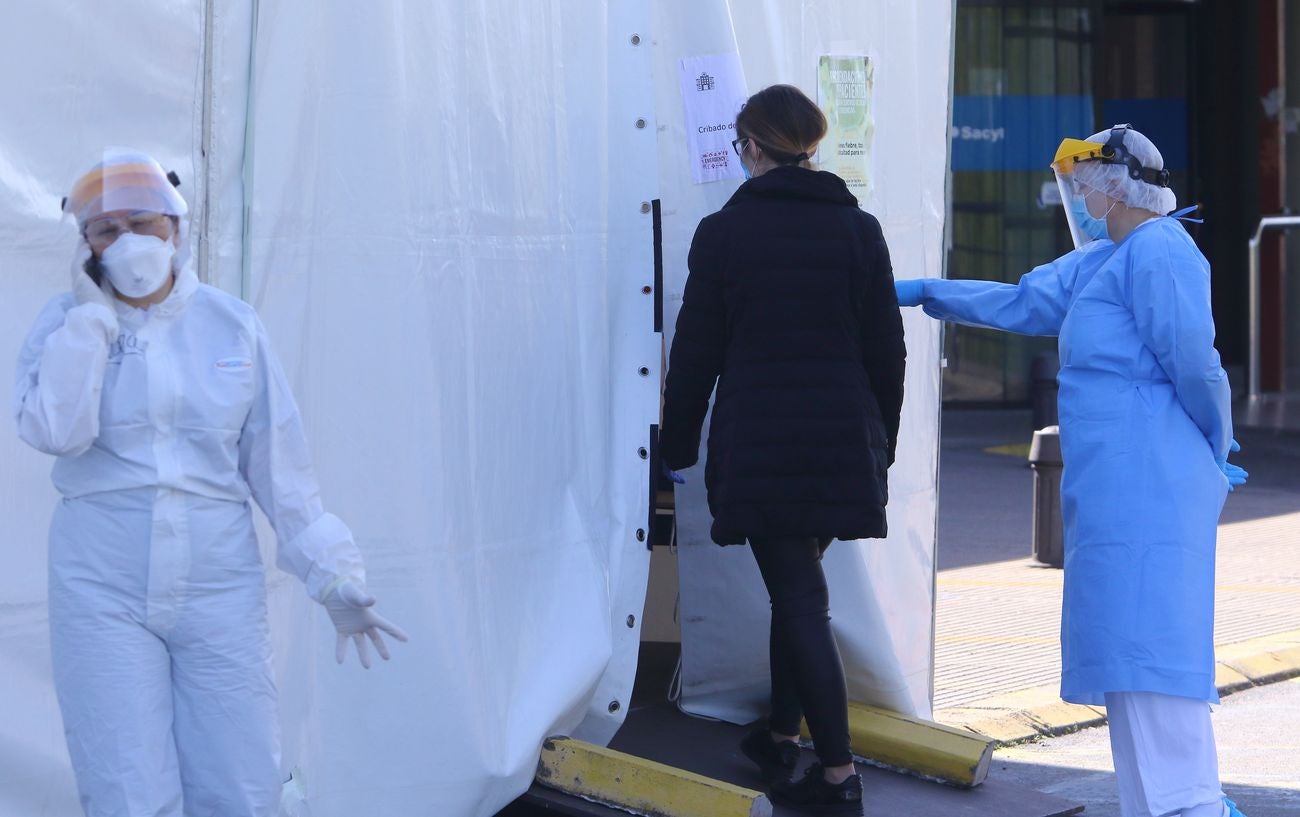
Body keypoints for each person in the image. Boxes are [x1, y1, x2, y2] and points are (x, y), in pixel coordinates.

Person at [14, 148, 408, 817]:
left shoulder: (231, 325)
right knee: (125, 787)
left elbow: (279, 464)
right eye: (106, 230)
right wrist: (91, 323)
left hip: (217, 586)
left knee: (241, 779)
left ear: (178, 229)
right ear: (84, 247)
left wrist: (333, 574)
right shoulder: (64, 325)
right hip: (101, 586)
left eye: (144, 222)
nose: (128, 241)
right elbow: (58, 431)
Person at [895, 125, 1249, 817]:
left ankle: (1189, 803)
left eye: (1084, 182)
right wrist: (927, 291)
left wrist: (1217, 442)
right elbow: (1022, 300)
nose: (1078, 196)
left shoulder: (1160, 249)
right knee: (1126, 646)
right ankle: (1165, 804)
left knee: (1153, 645)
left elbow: (1194, 361)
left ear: (1115, 184)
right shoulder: (1102, 261)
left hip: (1153, 475)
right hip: (1114, 482)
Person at [659, 85, 905, 816]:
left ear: (756, 149)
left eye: (741, 147)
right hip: (841, 441)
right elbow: (885, 352)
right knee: (799, 588)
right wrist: (880, 443)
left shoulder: (724, 235)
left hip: (763, 442)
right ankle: (778, 735)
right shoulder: (859, 231)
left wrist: (674, 448)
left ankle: (837, 774)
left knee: (799, 596)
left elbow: (695, 354)